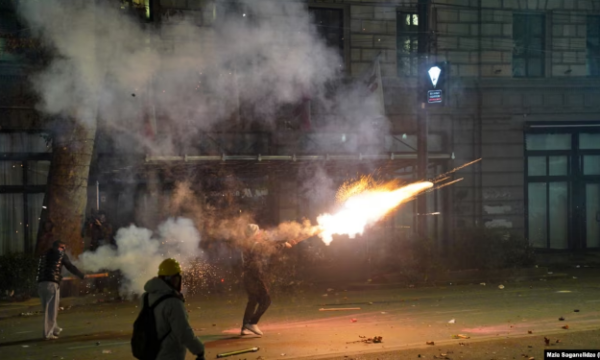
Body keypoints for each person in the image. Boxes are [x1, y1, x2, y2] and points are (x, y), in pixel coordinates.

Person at [138, 258, 205, 360]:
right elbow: (183, 332)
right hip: (168, 355)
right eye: (177, 278)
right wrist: (199, 350)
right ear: (172, 279)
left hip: (149, 352)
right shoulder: (173, 302)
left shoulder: (146, 297)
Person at [240, 224, 297, 336]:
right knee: (266, 300)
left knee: (252, 301)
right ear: (254, 234)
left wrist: (284, 243)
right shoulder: (255, 244)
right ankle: (252, 323)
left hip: (247, 276)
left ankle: (244, 328)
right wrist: (284, 245)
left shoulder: (246, 244)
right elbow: (269, 249)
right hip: (254, 276)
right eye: (258, 232)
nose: (260, 233)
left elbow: (267, 244)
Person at [36, 240, 86, 340]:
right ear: (57, 247)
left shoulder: (44, 254)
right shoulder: (60, 254)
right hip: (51, 283)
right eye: (62, 247)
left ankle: (54, 329)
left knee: (48, 308)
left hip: (41, 283)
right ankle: (48, 333)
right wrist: (81, 275)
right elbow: (70, 267)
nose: (64, 250)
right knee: (51, 309)